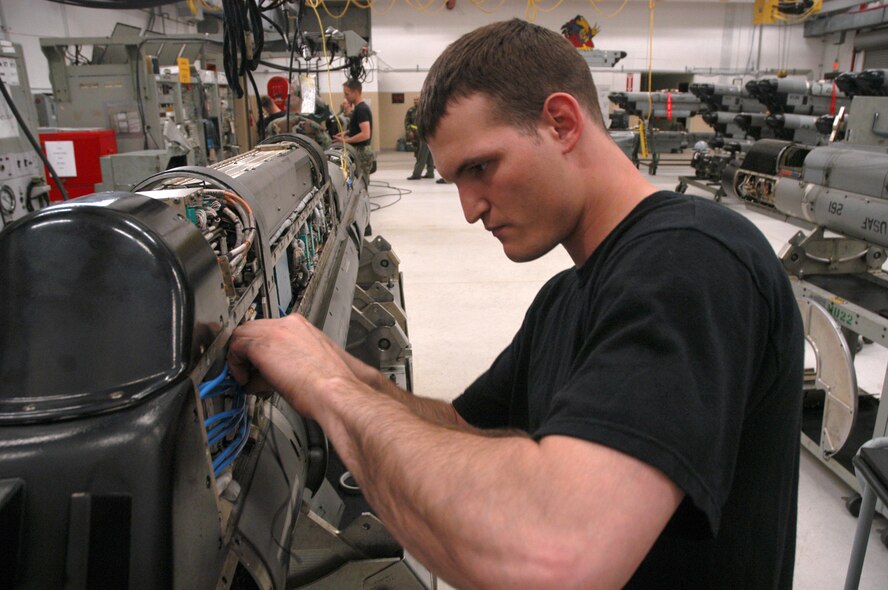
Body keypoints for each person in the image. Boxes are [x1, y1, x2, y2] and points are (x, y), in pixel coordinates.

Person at [228, 19, 803, 589]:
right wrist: (330, 367)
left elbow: (554, 553)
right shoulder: (568, 296)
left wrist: (332, 392)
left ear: (561, 123)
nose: (470, 209)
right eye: (455, 179)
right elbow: (458, 427)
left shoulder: (693, 259)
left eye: (481, 167)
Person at [335, 79, 375, 178]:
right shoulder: (358, 108)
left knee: (361, 182)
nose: (345, 97)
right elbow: (360, 127)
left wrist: (346, 140)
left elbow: (365, 134)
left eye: (347, 94)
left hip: (362, 152)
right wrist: (347, 132)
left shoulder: (361, 110)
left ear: (356, 93)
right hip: (359, 150)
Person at [406, 97, 436, 180]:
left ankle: (416, 174)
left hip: (425, 134)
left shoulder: (425, 110)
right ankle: (430, 173)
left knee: (421, 155)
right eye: (414, 100)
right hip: (420, 135)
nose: (415, 101)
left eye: (417, 100)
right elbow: (408, 122)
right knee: (429, 155)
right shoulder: (412, 110)